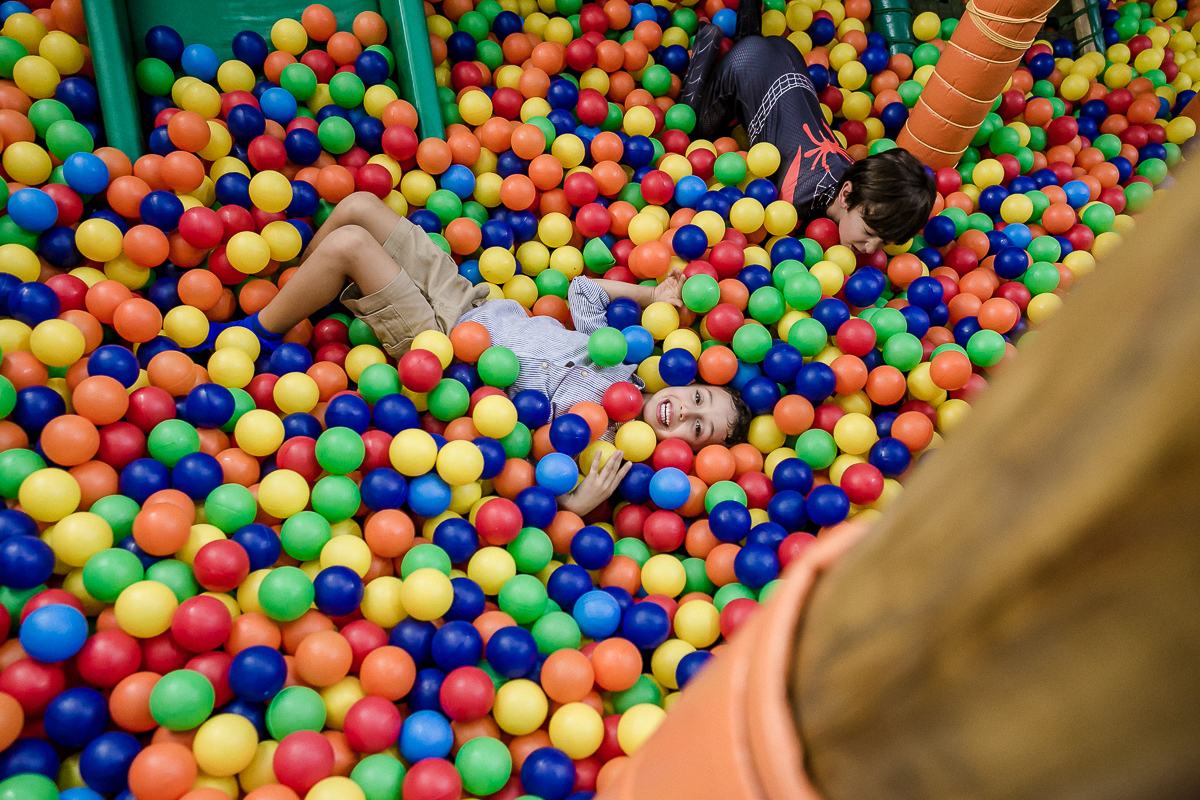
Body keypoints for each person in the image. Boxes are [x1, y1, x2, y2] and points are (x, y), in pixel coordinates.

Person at [193, 192, 752, 515]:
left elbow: (523, 488)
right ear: (686, 380)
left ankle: (250, 337)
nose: (687, 412)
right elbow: (584, 290)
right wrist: (651, 295)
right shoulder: (626, 357)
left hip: (442, 352)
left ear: (692, 453)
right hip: (470, 301)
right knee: (359, 204)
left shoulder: (607, 451)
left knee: (351, 245)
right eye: (699, 398)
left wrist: (576, 506)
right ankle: (306, 289)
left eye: (698, 429)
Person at [678, 1, 936, 254]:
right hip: (746, 63)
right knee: (692, 132)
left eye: (884, 243)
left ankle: (749, 18)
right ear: (846, 195)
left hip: (786, 54)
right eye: (868, 233)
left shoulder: (860, 177)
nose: (871, 249)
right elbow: (777, 244)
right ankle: (706, 43)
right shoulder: (796, 202)